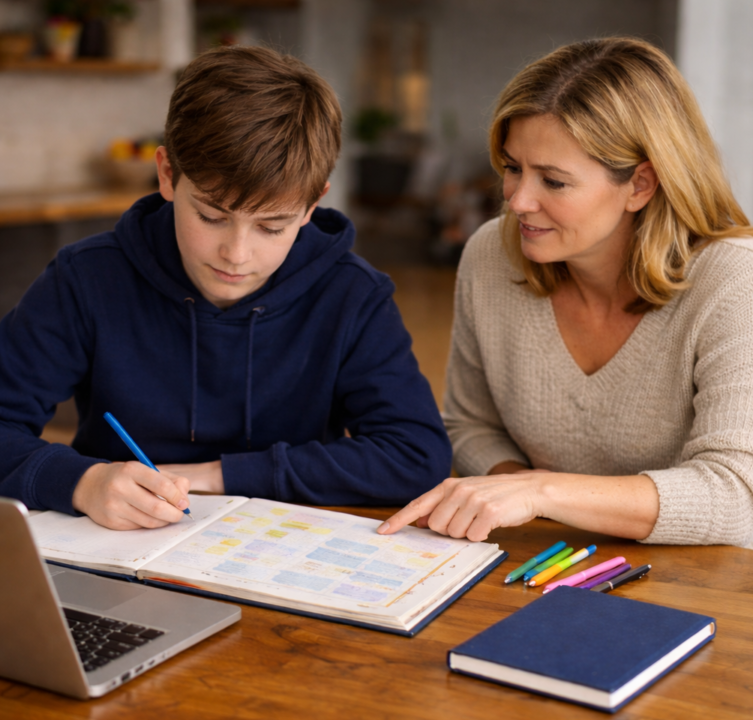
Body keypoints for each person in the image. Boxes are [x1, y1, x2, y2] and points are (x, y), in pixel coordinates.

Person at [0, 46, 452, 530]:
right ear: (168, 174)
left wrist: (217, 475)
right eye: (212, 217)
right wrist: (81, 482)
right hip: (115, 551)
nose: (236, 254)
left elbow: (415, 454)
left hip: (278, 552)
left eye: (272, 227)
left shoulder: (352, 296)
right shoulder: (86, 278)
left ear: (311, 205)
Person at [378, 37, 753, 550]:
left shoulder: (740, 282)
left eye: (554, 182)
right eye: (513, 168)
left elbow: (736, 495)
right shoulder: (490, 257)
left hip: (712, 583)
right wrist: (522, 503)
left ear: (640, 185)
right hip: (549, 558)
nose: (518, 201)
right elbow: (469, 426)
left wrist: (540, 493)